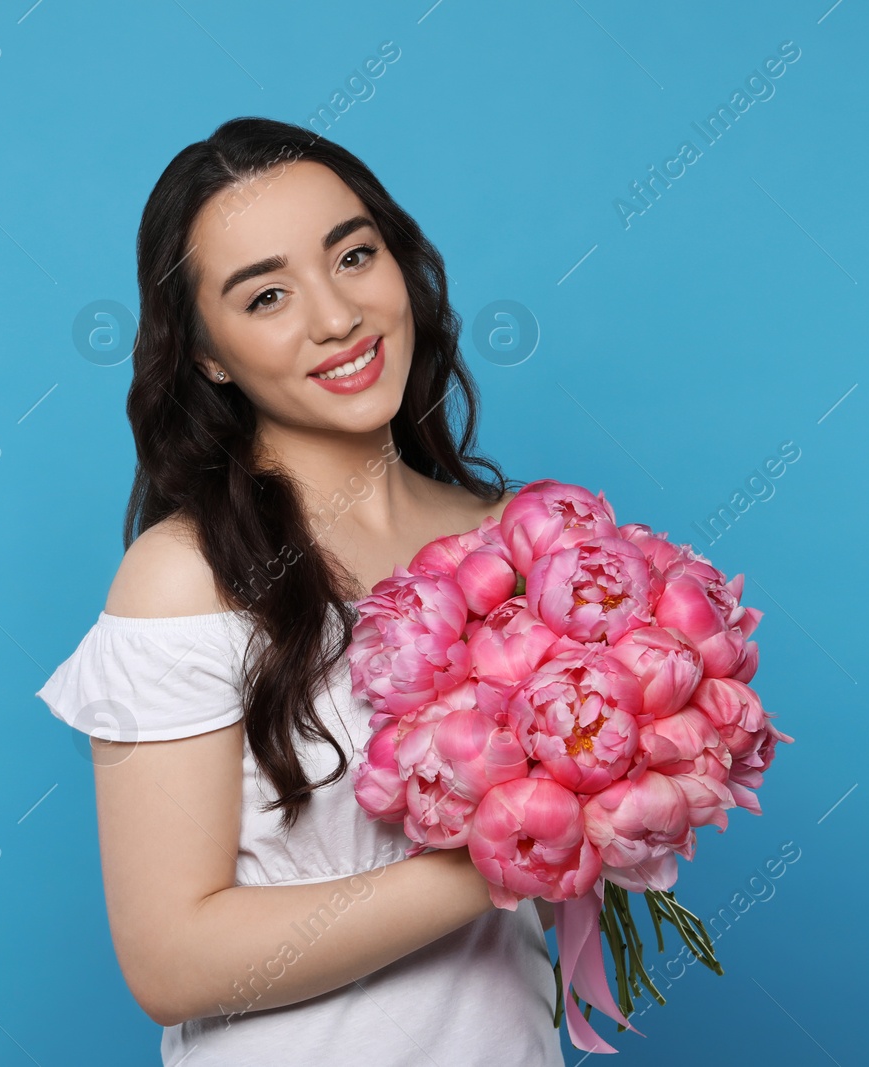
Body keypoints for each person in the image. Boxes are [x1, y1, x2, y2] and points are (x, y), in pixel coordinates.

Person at [37, 116, 566, 1066]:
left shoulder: (519, 538)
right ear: (205, 352)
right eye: (267, 294)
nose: (335, 317)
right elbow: (171, 957)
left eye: (354, 256)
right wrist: (534, 840)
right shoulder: (184, 578)